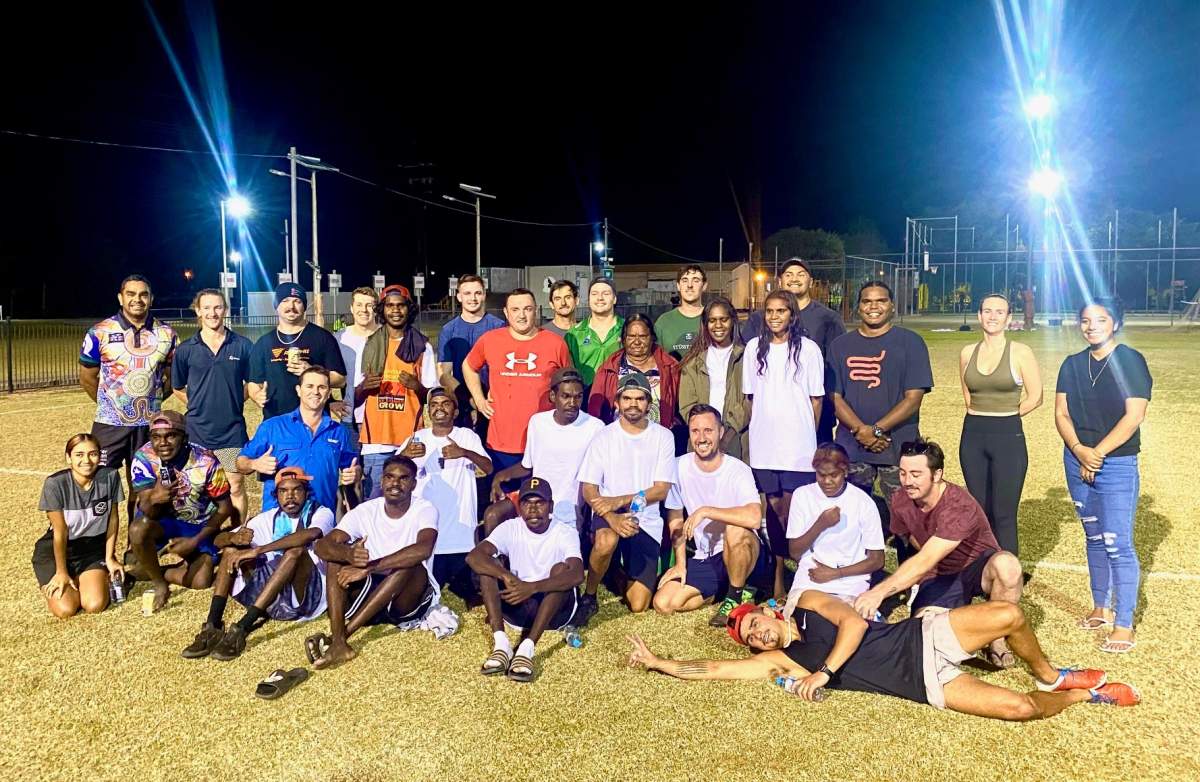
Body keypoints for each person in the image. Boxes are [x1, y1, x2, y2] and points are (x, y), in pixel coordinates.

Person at [627, 594, 1140, 718]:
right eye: (749, 637)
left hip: (920, 638)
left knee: (1007, 613)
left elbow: (853, 623)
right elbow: (715, 669)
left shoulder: (807, 601)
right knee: (1020, 711)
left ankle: (1053, 675)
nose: (756, 635)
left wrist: (826, 671)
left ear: (767, 610)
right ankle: (1083, 696)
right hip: (920, 684)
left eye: (754, 623)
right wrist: (660, 663)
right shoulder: (781, 664)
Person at [852, 440, 1024, 668]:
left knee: (1008, 565)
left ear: (937, 474)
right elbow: (908, 537)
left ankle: (996, 640)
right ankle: (959, 612)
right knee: (925, 638)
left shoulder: (958, 505)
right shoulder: (900, 499)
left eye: (916, 474)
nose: (907, 481)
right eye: (903, 473)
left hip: (977, 567)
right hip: (939, 572)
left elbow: (925, 559)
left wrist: (879, 592)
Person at [1054, 297, 1151, 654]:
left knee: (1117, 542)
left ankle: (1123, 624)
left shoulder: (1130, 361)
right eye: (1085, 320)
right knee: (1093, 536)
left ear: (1115, 322)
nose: (1091, 326)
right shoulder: (1072, 364)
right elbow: (1061, 414)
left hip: (1116, 462)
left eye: (1100, 319)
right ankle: (1100, 607)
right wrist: (1080, 449)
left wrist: (1097, 453)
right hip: (1076, 459)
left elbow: (1134, 415)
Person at [182, 467, 336, 661]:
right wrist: (233, 537)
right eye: (283, 491)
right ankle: (212, 626)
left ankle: (242, 628)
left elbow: (311, 534)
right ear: (276, 495)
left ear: (306, 492)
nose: (290, 496)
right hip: (272, 594)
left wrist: (259, 549)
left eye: (296, 490)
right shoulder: (269, 518)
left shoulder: (322, 513)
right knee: (230, 551)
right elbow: (217, 540)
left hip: (306, 596)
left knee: (295, 552)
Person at [307, 456, 439, 669]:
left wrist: (370, 566)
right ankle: (339, 641)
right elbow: (323, 545)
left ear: (414, 484)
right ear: (381, 481)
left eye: (403, 478)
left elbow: (424, 549)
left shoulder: (425, 509)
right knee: (335, 559)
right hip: (370, 593)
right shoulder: (366, 510)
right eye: (389, 477)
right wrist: (348, 554)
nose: (395, 484)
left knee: (409, 563)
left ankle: (341, 636)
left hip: (404, 599)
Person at [827, 281, 933, 545]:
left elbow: (913, 399)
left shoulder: (911, 342)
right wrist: (860, 431)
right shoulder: (840, 345)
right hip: (852, 447)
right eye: (866, 301)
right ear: (858, 306)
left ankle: (915, 581)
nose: (873, 307)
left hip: (898, 446)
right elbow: (834, 396)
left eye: (881, 301)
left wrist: (875, 430)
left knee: (907, 520)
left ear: (892, 305)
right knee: (850, 517)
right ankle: (857, 578)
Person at [742, 289, 825, 598]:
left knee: (794, 512)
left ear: (792, 314)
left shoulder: (808, 349)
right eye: (770, 311)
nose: (775, 316)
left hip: (798, 449)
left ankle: (803, 576)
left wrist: (808, 439)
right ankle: (777, 577)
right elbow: (751, 397)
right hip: (765, 449)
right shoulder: (754, 349)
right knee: (773, 512)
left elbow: (816, 400)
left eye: (781, 311)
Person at [577, 372, 676, 622]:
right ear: (617, 402)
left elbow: (661, 489)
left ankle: (612, 572)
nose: (633, 404)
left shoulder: (663, 436)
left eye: (640, 398)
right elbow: (589, 489)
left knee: (639, 605)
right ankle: (590, 594)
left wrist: (619, 500)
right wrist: (612, 516)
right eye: (627, 398)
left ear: (648, 404)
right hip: (608, 515)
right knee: (606, 542)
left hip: (646, 518)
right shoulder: (603, 437)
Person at [79, 274, 177, 526]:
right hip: (109, 425)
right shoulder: (100, 332)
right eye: (131, 294)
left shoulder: (167, 334)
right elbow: (88, 377)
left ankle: (137, 543)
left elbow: (169, 377)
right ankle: (98, 541)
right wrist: (110, 405)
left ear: (151, 298)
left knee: (144, 485)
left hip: (149, 426)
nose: (137, 299)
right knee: (101, 482)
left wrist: (152, 403)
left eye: (143, 294)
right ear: (120, 297)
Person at [467, 476, 585, 682]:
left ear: (551, 506)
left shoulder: (565, 532)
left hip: (554, 610)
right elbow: (474, 556)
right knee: (488, 566)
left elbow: (576, 574)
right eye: (526, 503)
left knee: (560, 569)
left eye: (539, 503)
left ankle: (527, 649)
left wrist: (532, 587)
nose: (532, 509)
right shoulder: (510, 527)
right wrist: (506, 576)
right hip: (517, 605)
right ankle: (501, 644)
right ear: (519, 506)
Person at [656, 405, 765, 626]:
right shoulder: (679, 466)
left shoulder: (737, 469)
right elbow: (675, 517)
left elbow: (754, 517)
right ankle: (729, 589)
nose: (702, 437)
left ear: (721, 433)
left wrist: (706, 511)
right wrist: (680, 564)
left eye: (708, 430)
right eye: (695, 431)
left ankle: (735, 597)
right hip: (708, 556)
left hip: (745, 550)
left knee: (734, 529)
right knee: (664, 603)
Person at [958, 293, 1042, 555]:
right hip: (973, 436)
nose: (992, 316)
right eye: (987, 311)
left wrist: (1008, 415)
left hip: (1007, 437)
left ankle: (1007, 579)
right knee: (980, 511)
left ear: (1008, 318)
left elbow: (1036, 397)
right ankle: (981, 571)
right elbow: (967, 394)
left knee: (1004, 514)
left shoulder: (1020, 352)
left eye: (999, 312)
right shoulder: (967, 352)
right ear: (979, 315)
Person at [463, 288, 571, 489]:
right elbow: (468, 366)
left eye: (528, 309)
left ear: (536, 311)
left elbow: (568, 383)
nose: (522, 315)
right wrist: (479, 399)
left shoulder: (555, 343)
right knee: (505, 504)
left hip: (544, 442)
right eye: (516, 309)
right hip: (503, 441)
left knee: (542, 504)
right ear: (506, 312)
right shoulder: (491, 339)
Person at [127, 411, 234, 612]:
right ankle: (159, 583)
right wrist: (154, 498)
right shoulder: (144, 458)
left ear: (184, 438)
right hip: (164, 521)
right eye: (156, 437)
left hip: (198, 524)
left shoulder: (206, 460)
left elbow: (225, 507)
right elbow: (145, 509)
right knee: (137, 529)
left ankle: (151, 571)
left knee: (201, 581)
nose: (163, 443)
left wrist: (195, 541)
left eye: (171, 436)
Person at [484, 368, 603, 536]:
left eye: (578, 396)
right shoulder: (538, 422)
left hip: (567, 507)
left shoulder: (595, 427)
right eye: (566, 396)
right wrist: (499, 476)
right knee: (492, 515)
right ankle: (497, 562)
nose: (573, 403)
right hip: (533, 500)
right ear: (553, 397)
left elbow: (597, 477)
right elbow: (528, 465)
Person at [171, 288, 254, 526]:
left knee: (235, 486)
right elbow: (177, 387)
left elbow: (253, 383)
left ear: (225, 310)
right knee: (198, 487)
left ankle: (238, 534)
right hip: (198, 432)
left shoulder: (242, 345)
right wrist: (198, 404)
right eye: (206, 308)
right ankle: (202, 541)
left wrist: (236, 400)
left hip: (231, 432)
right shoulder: (186, 349)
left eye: (218, 307)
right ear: (198, 311)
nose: (212, 313)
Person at [399, 388, 492, 599]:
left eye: (445, 403)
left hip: (461, 536)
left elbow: (488, 468)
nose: (439, 408)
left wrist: (465, 453)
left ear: (456, 412)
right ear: (428, 411)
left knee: (470, 591)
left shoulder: (466, 436)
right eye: (434, 404)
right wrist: (405, 455)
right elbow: (392, 471)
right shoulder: (416, 438)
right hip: (427, 536)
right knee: (424, 590)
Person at [743, 259, 844, 442]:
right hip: (770, 418)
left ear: (811, 281)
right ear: (780, 281)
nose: (794, 279)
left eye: (801, 274)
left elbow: (836, 367)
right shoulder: (759, 318)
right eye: (788, 274)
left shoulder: (828, 318)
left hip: (816, 412)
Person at [237, 365, 360, 513]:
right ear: (298, 390)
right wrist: (254, 463)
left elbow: (353, 467)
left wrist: (355, 473)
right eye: (309, 386)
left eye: (321, 387)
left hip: (321, 517)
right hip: (279, 517)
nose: (315, 392)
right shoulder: (273, 427)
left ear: (328, 393)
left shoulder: (339, 432)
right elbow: (241, 463)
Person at [356, 285, 440, 498]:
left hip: (410, 440)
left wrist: (416, 386)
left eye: (400, 305)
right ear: (382, 310)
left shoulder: (422, 346)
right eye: (390, 305)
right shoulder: (370, 344)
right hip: (376, 443)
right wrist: (364, 388)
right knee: (374, 506)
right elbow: (355, 397)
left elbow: (432, 397)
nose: (395, 310)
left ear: (408, 309)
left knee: (409, 506)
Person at [33, 434, 124, 618]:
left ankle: (91, 577)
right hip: (57, 551)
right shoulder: (55, 484)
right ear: (69, 458)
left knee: (94, 605)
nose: (86, 460)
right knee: (66, 610)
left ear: (100, 456)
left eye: (93, 454)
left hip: (91, 550)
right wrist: (61, 572)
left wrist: (109, 557)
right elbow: (60, 532)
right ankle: (69, 577)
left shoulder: (110, 477)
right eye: (79, 455)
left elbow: (113, 519)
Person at [785, 442, 884, 604]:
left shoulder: (863, 502)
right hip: (812, 576)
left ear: (845, 472)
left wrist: (835, 573)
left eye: (833, 475)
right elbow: (794, 552)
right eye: (821, 475)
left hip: (851, 580)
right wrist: (820, 525)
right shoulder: (802, 495)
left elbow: (877, 559)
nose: (827, 481)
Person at [248, 282, 346, 421]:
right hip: (276, 422)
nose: (291, 307)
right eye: (285, 301)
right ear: (276, 306)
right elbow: (254, 382)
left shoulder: (322, 337)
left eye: (297, 301)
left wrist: (311, 371)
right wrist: (256, 395)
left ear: (304, 306)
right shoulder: (264, 342)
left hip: (315, 422)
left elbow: (340, 379)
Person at [678, 296, 749, 459]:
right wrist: (706, 431)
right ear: (705, 324)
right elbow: (687, 405)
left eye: (723, 319)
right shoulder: (693, 362)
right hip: (702, 440)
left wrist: (727, 434)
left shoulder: (746, 357)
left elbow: (749, 401)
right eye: (712, 320)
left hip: (737, 438)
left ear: (732, 321)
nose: (718, 325)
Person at [588, 313, 681, 428]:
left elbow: (679, 406)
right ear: (623, 339)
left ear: (652, 338)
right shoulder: (608, 369)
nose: (637, 342)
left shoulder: (670, 367)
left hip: (658, 436)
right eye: (631, 336)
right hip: (619, 438)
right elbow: (594, 409)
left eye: (643, 336)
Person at [437, 274, 504, 427]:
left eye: (478, 293)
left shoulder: (498, 327)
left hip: (492, 404)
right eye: (467, 293)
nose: (473, 298)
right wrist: (470, 399)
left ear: (484, 295)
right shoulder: (449, 330)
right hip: (462, 404)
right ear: (459, 297)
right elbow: (444, 374)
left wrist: (484, 400)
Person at [335, 286, 381, 444]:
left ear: (376, 308)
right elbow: (321, 374)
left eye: (369, 305)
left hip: (382, 416)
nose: (364, 310)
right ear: (351, 308)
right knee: (352, 467)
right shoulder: (338, 339)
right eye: (359, 305)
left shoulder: (387, 336)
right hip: (350, 417)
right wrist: (330, 402)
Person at [565, 277, 623, 388]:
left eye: (605, 293)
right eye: (594, 294)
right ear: (588, 299)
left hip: (620, 398)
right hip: (586, 399)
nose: (600, 298)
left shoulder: (627, 329)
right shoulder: (574, 334)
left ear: (614, 299)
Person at [654, 264, 707, 360]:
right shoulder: (664, 321)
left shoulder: (713, 320)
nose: (690, 285)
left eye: (696, 281)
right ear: (678, 286)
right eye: (685, 280)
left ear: (704, 286)